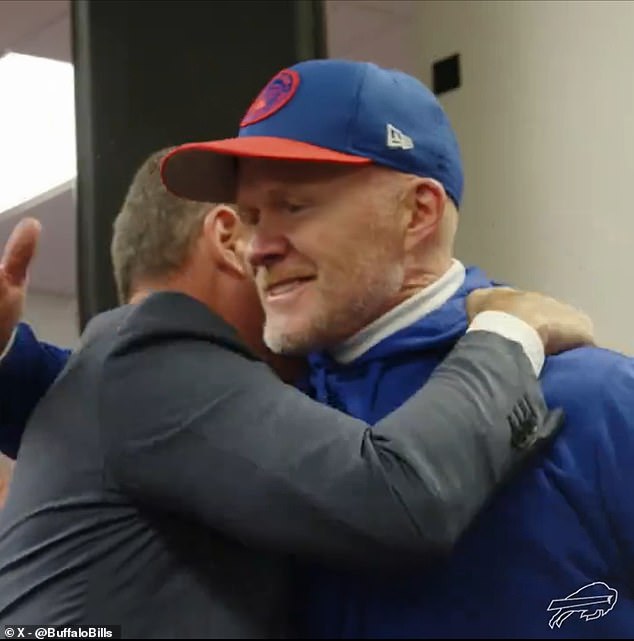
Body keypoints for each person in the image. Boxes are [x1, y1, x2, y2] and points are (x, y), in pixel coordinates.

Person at [0, 149, 590, 638]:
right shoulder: (158, 353)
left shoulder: (118, 372)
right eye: (264, 220)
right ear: (230, 239)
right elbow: (396, 498)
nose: (274, 248)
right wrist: (509, 330)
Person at [161, 58, 634, 637]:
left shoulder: (594, 398)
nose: (257, 248)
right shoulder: (268, 414)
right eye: (252, 216)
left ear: (418, 213)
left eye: (293, 206)